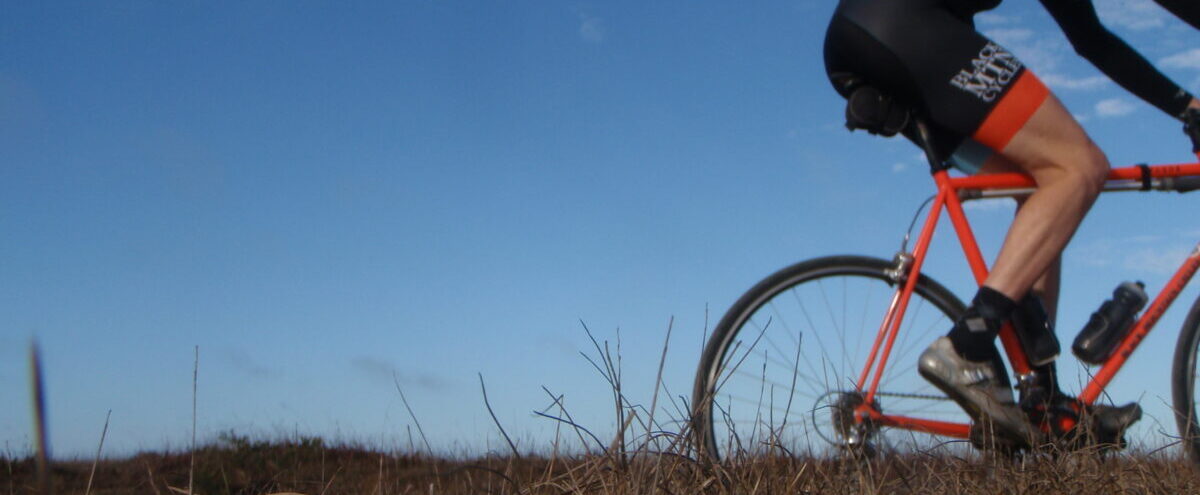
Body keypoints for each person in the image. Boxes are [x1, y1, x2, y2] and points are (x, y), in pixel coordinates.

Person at [823, 0, 1200, 445]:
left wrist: (1188, 108)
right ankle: (968, 344)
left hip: (878, 35)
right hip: (903, 22)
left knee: (1044, 186)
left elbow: (1091, 38)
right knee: (1080, 167)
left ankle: (1042, 398)